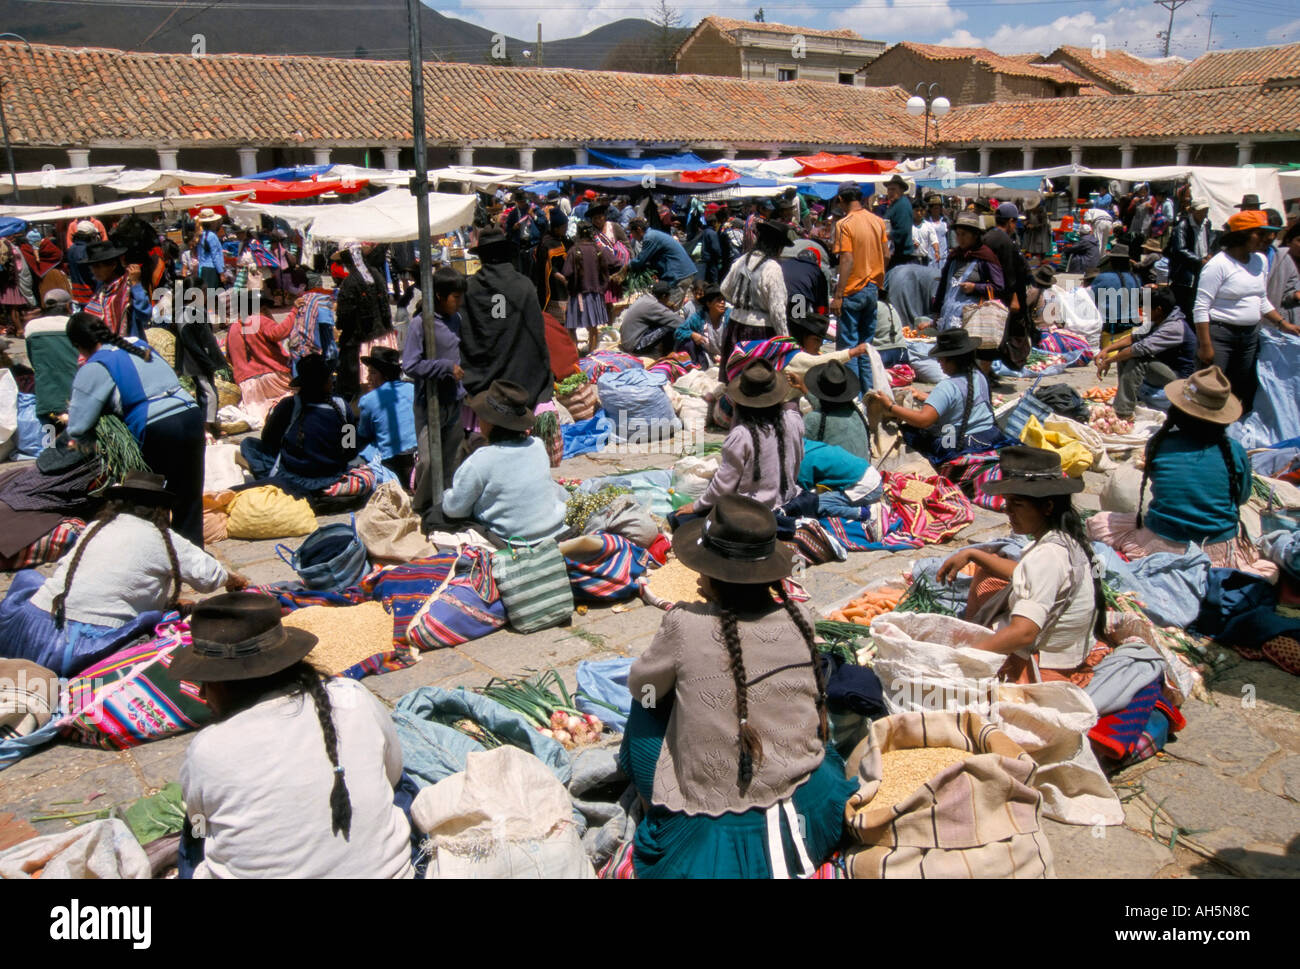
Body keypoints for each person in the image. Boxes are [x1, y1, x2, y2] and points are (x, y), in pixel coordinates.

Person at [622, 495, 854, 878]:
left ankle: (653, 802)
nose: (697, 576)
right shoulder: (801, 617)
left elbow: (640, 686)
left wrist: (655, 700)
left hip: (712, 835)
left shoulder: (684, 624)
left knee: (644, 700)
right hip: (812, 807)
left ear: (712, 573)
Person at [172, 593, 414, 879]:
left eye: (205, 683)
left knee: (195, 827)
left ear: (225, 685)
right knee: (402, 788)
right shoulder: (352, 697)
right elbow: (393, 775)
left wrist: (201, 836)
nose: (201, 694)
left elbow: (201, 819)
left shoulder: (209, 749)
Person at [0, 472, 245, 678]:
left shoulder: (95, 528)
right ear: (161, 510)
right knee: (162, 627)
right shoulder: (163, 538)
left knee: (33, 582)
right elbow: (209, 577)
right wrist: (235, 580)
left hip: (27, 632)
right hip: (82, 648)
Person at [937, 446, 1106, 683]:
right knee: (988, 575)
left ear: (1047, 507)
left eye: (1017, 504)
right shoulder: (1067, 538)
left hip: (1040, 661)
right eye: (1006, 502)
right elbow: (1024, 573)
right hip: (1068, 649)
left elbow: (1024, 633)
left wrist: (963, 658)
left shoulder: (1047, 556)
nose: (1007, 511)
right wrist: (975, 555)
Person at [1087, 366, 1268, 576]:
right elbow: (1242, 497)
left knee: (1098, 523)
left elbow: (1163, 490)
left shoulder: (1160, 443)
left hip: (1162, 543)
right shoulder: (1234, 450)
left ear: (1178, 411)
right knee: (1265, 567)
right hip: (1220, 550)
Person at [65, 312, 206, 547]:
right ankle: (192, 556)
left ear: (78, 346)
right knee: (188, 496)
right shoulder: (137, 343)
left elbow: (78, 425)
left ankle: (149, 552)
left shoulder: (95, 366)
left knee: (147, 497)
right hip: (190, 414)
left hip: (157, 426)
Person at [671, 361, 804, 526]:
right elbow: (798, 459)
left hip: (752, 511)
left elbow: (723, 485)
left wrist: (698, 505)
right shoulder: (793, 419)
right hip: (789, 500)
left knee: (677, 518)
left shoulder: (742, 435)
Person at [1193, 210, 1299, 414]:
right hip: (1220, 335)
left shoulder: (1260, 261)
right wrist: (1206, 346)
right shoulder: (1219, 265)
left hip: (1249, 336)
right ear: (1242, 235)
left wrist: (1281, 323)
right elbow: (1201, 307)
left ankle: (1229, 429)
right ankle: (1205, 430)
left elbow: (1260, 299)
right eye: (1259, 234)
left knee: (1239, 387)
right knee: (1213, 387)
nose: (1268, 238)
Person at [440, 379, 568, 545]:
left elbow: (454, 509)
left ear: (490, 423)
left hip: (513, 539)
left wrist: (446, 496)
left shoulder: (480, 460)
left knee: (435, 517)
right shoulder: (537, 445)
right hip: (555, 529)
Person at [869, 329, 1014, 468]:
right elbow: (960, 402)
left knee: (907, 431)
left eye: (941, 359)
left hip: (958, 444)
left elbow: (923, 420)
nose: (939, 363)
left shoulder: (947, 386)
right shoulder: (978, 376)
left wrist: (890, 407)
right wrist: (923, 396)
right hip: (989, 436)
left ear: (952, 361)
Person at [239, 354, 360, 497]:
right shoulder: (343, 406)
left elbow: (268, 440)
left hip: (294, 478)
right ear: (325, 382)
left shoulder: (288, 405)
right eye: (329, 377)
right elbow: (351, 447)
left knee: (249, 445)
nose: (332, 380)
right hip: (332, 475)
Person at [459, 228, 552, 409]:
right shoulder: (524, 286)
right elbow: (537, 337)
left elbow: (465, 335)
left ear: (482, 257)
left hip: (482, 383)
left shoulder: (469, 289)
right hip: (522, 383)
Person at [403, 267, 468, 520]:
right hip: (429, 402)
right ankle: (422, 507)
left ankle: (448, 509)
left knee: (453, 458)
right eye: (455, 297)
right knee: (429, 462)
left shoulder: (456, 320)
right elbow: (410, 365)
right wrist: (444, 368)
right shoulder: (421, 324)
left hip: (454, 400)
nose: (459, 302)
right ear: (439, 296)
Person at [1096, 287, 1196, 418]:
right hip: (1164, 369)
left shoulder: (1174, 327)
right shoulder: (1158, 320)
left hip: (1179, 378)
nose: (1143, 311)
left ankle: (1122, 412)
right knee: (1123, 353)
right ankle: (1128, 398)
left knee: (1138, 359)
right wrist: (1107, 350)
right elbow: (1134, 337)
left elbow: (1139, 349)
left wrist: (1109, 361)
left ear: (1158, 309)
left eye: (1146, 307)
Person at [831, 181, 890, 396]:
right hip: (872, 288)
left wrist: (839, 294)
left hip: (852, 290)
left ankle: (853, 398)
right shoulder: (878, 221)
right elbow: (886, 255)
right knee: (866, 347)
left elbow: (846, 258)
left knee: (849, 350)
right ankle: (869, 394)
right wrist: (878, 279)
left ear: (840, 200)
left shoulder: (844, 224)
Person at [719, 218, 791, 366]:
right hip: (759, 332)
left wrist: (741, 302)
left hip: (734, 325)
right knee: (755, 378)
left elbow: (724, 289)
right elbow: (777, 310)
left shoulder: (742, 260)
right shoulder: (773, 268)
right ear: (777, 247)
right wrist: (785, 340)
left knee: (734, 374)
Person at [333, 240, 395, 400]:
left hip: (361, 343)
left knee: (361, 389)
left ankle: (357, 421)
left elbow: (344, 318)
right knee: (383, 387)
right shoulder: (377, 275)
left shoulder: (350, 283)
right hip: (383, 338)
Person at [929, 213, 1004, 332]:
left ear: (975, 235)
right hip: (947, 317)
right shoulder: (954, 256)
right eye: (958, 234)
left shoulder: (985, 257)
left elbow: (999, 287)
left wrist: (975, 287)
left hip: (972, 321)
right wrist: (936, 314)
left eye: (964, 234)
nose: (960, 239)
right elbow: (943, 286)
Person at [357, 346, 417, 488]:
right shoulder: (413, 389)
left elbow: (363, 434)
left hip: (389, 462)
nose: (368, 378)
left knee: (347, 434)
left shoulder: (368, 400)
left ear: (385, 374)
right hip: (415, 459)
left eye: (372, 373)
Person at [225, 311, 294, 426]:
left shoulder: (233, 328)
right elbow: (278, 333)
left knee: (260, 417)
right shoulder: (259, 320)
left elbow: (229, 357)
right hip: (273, 379)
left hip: (247, 385)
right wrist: (294, 312)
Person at [24, 289, 79, 423]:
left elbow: (33, 361)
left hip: (47, 400)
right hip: (76, 398)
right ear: (68, 306)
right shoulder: (76, 326)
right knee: (77, 442)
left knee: (49, 440)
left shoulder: (31, 327)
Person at [562, 221, 615, 355]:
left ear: (578, 234)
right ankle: (592, 355)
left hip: (577, 295)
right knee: (593, 327)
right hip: (595, 295)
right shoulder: (599, 250)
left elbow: (567, 273)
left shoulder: (574, 251)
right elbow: (616, 263)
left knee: (571, 327)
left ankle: (575, 356)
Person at [82, 240, 152, 340]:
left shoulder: (128, 287)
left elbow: (145, 314)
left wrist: (136, 285)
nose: (94, 271)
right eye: (92, 267)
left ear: (113, 265)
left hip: (129, 347)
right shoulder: (102, 291)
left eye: (97, 266)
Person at [802, 360, 871, 460]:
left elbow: (798, 452)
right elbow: (827, 411)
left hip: (836, 474)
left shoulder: (813, 420)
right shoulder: (855, 412)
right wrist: (803, 389)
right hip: (864, 471)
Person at [624, 217, 696, 306]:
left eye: (632, 232)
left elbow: (640, 260)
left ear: (638, 230)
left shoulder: (650, 238)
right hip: (682, 273)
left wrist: (626, 267)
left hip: (679, 275)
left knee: (669, 309)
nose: (632, 236)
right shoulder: (653, 235)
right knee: (672, 308)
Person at [1090, 244, 1143, 350]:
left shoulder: (1103, 278)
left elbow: (1090, 300)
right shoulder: (1136, 279)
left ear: (1111, 261)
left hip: (1109, 327)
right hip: (1128, 326)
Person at [1168, 198, 1212, 322]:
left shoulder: (1206, 225)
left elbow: (1208, 243)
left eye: (1206, 211)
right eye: (1201, 211)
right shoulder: (1183, 226)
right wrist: (1199, 260)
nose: (1204, 214)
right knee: (1184, 304)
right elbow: (1180, 249)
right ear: (1193, 211)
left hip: (1201, 270)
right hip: (1186, 274)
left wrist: (1208, 255)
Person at [619, 280, 682, 359]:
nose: (669, 300)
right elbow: (677, 321)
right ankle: (667, 355)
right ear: (663, 296)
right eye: (668, 297)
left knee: (663, 321)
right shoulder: (652, 305)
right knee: (670, 326)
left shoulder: (645, 298)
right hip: (634, 346)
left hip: (627, 341)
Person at [780, 248, 829, 330]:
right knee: (796, 330)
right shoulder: (816, 270)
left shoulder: (785, 263)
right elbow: (821, 304)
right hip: (798, 300)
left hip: (781, 297)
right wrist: (822, 322)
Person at [1266, 222, 1300, 330]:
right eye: (1299, 241)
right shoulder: (1277, 261)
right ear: (1288, 242)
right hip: (1277, 323)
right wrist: (1294, 295)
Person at [882, 175, 914, 270]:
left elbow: (902, 231)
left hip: (900, 256)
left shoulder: (902, 205)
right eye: (889, 190)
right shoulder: (894, 204)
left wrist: (884, 236)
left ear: (901, 190)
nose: (890, 192)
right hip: (893, 254)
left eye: (893, 189)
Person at [195, 209, 226, 293]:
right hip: (211, 269)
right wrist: (221, 273)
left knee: (206, 296)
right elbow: (215, 256)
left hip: (202, 268)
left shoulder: (200, 234)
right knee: (213, 298)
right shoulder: (212, 236)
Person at [926, 194, 951, 266]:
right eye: (935, 208)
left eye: (938, 208)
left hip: (943, 255)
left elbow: (948, 236)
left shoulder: (945, 221)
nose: (937, 210)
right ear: (930, 209)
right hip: (930, 255)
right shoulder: (927, 221)